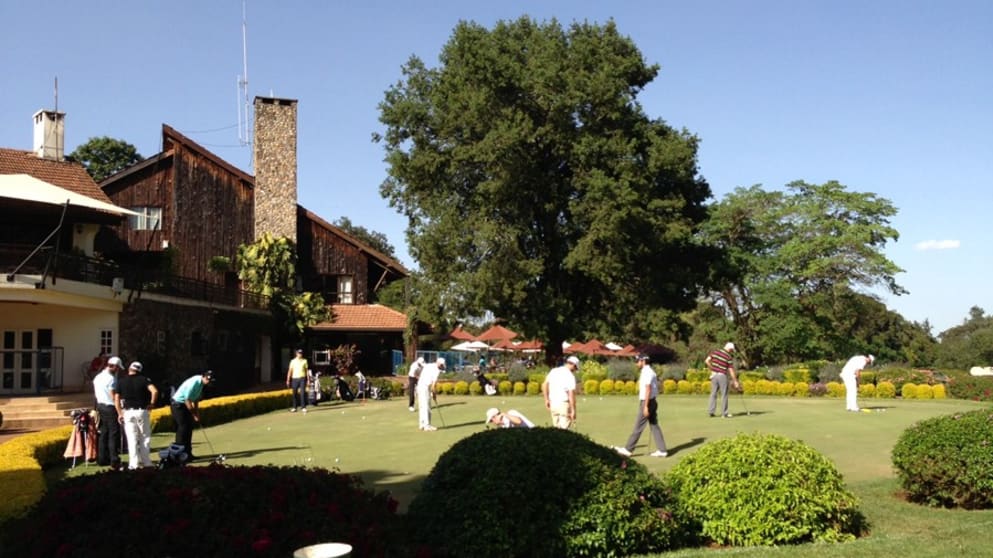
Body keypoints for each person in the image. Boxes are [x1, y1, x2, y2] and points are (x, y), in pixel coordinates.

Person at [614, 355, 668, 457]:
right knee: (654, 425)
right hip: (652, 401)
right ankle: (662, 450)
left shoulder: (647, 372)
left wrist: (646, 406)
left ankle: (628, 449)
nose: (636, 363)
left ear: (643, 361)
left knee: (638, 426)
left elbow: (648, 389)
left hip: (647, 402)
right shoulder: (648, 371)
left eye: (637, 361)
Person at [114, 361, 159, 469]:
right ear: (139, 370)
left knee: (131, 439)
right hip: (141, 411)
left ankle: (133, 464)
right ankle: (146, 462)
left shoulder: (121, 381)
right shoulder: (144, 379)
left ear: (129, 369)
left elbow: (116, 399)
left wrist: (120, 413)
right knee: (144, 437)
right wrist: (152, 404)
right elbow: (155, 391)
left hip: (128, 412)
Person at [170, 370, 213, 460]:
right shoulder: (194, 382)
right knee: (183, 428)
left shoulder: (201, 384)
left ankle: (188, 454)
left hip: (185, 405)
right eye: (208, 379)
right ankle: (179, 455)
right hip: (178, 405)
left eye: (210, 380)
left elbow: (196, 399)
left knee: (189, 428)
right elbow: (187, 400)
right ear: (203, 376)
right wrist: (194, 414)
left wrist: (197, 413)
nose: (208, 382)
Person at [93, 355, 123, 469]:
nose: (118, 370)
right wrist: (120, 411)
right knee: (113, 433)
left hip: (100, 406)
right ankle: (114, 459)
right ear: (114, 366)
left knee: (103, 433)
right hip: (110, 407)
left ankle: (101, 459)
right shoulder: (111, 378)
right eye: (118, 368)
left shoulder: (98, 377)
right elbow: (113, 396)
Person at [543, 355, 579, 429]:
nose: (575, 370)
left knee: (556, 429)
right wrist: (573, 410)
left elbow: (544, 385)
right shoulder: (570, 376)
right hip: (563, 404)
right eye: (575, 368)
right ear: (573, 365)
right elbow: (571, 394)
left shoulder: (554, 371)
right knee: (564, 430)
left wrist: (546, 399)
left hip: (553, 403)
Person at [706, 342, 740, 418]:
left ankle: (711, 412)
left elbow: (707, 361)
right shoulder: (728, 356)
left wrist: (712, 368)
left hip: (714, 375)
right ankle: (724, 413)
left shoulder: (715, 352)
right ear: (730, 349)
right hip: (722, 375)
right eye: (732, 350)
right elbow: (731, 370)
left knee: (713, 393)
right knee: (724, 394)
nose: (732, 352)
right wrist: (735, 381)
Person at [416, 357, 445, 431]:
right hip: (425, 387)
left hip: (420, 386)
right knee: (426, 406)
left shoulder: (429, 365)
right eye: (441, 365)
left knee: (422, 406)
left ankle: (422, 424)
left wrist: (432, 393)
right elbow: (433, 385)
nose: (442, 367)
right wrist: (434, 394)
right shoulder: (437, 370)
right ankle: (427, 426)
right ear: (438, 363)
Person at [286, 349, 310, 413]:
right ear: (296, 354)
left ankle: (303, 407)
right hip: (294, 379)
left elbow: (306, 371)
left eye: (301, 353)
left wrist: (308, 380)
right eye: (299, 353)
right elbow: (290, 371)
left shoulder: (304, 361)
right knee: (294, 393)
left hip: (302, 378)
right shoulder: (292, 361)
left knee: (302, 393)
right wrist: (288, 380)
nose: (300, 354)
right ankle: (294, 407)